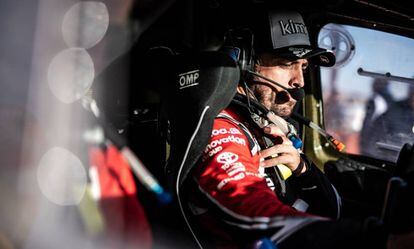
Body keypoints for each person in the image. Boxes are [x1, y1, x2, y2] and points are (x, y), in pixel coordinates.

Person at [173, 8, 414, 249]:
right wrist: (382, 242)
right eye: (287, 64)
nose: (299, 80)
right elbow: (248, 211)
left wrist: (303, 169)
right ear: (244, 63)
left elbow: (335, 210)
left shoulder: (265, 127)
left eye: (304, 67)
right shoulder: (223, 129)